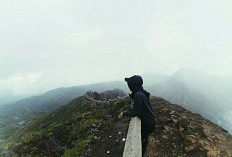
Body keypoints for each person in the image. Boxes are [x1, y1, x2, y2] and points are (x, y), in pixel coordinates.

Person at [119, 75, 156, 157]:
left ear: (133, 86)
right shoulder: (141, 92)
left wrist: (125, 113)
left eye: (130, 84)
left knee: (143, 140)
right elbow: (137, 107)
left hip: (148, 123)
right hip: (151, 120)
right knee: (144, 139)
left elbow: (136, 112)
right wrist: (125, 111)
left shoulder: (138, 95)